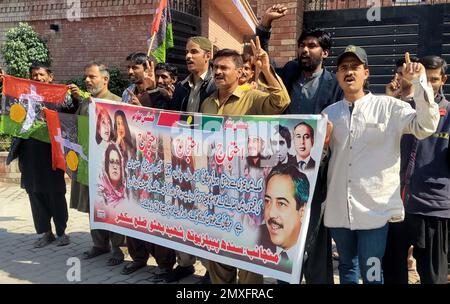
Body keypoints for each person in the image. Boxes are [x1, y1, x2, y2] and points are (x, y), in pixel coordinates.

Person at [322, 46, 439, 284]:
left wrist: (419, 83)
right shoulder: (328, 114)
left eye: (355, 67)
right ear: (337, 75)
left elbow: (426, 126)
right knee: (347, 267)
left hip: (374, 210)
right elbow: (319, 158)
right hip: (338, 208)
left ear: (366, 72)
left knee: (372, 271)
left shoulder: (389, 107)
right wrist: (322, 145)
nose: (349, 72)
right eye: (343, 68)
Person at [257, 4, 343, 283]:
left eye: (312, 46)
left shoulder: (334, 85)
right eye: (302, 45)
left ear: (325, 53)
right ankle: (285, 278)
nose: (305, 50)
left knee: (315, 232)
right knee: (286, 228)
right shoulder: (288, 76)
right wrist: (265, 26)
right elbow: (263, 63)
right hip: (285, 168)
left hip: (319, 171)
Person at [201, 40, 290, 284]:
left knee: (247, 255)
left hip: (246, 191)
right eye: (215, 67)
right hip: (215, 188)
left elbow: (280, 102)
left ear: (240, 72)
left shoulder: (253, 98)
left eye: (224, 68)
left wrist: (267, 69)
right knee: (217, 251)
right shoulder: (207, 103)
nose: (218, 72)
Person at [385, 55, 450, 284]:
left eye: (434, 80)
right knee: (393, 274)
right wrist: (393, 97)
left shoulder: (449, 113)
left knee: (434, 277)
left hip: (432, 206)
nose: (429, 85)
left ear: (443, 79)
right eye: (425, 79)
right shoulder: (401, 108)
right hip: (396, 205)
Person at [3, 62, 77, 248]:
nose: (37, 78)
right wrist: (4, 83)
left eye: (41, 74)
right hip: (28, 153)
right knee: (34, 192)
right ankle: (45, 232)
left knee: (55, 192)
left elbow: (72, 114)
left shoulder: (60, 96)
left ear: (50, 77)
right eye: (34, 75)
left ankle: (61, 232)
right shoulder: (23, 96)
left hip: (51, 153)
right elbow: (7, 104)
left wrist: (76, 98)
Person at [68, 62, 126, 267]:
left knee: (112, 206)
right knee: (95, 207)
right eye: (86, 77)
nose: (87, 80)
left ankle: (118, 248)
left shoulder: (117, 102)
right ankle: (99, 244)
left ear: (105, 79)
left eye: (92, 76)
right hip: (90, 166)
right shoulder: (86, 103)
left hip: (111, 167)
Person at [259, 164, 309, 271]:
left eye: (281, 204)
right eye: (267, 201)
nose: (271, 213)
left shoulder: (311, 249)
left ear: (302, 211)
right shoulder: (256, 238)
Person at [170, 36, 216, 112]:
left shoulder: (216, 86)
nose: (187, 56)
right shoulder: (180, 87)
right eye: (186, 52)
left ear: (208, 56)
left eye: (194, 52)